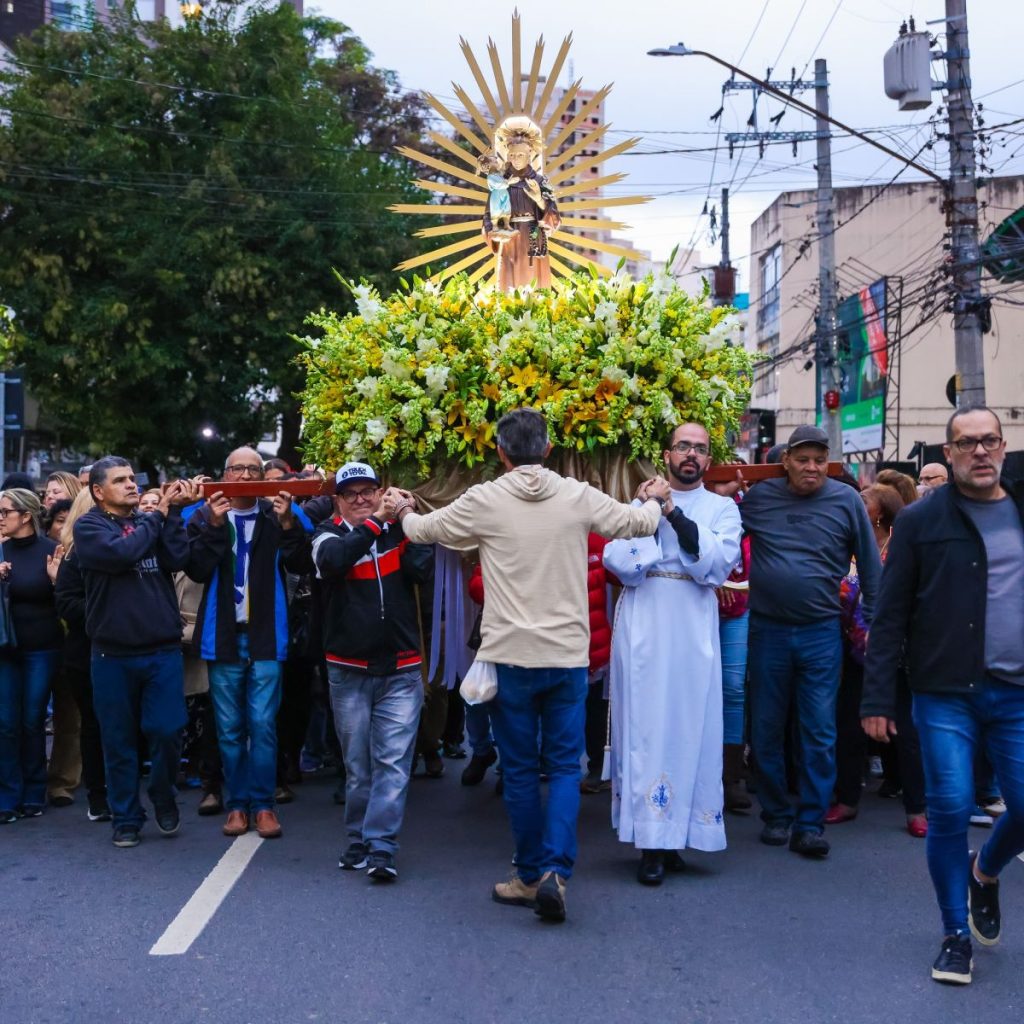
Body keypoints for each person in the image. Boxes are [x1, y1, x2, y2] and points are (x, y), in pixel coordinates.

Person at [395, 408, 667, 922]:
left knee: (520, 772)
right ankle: (556, 875)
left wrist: (403, 509)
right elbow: (637, 523)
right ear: (546, 449)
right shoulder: (575, 494)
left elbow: (424, 531)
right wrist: (652, 498)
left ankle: (526, 873)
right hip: (568, 656)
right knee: (565, 767)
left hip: (510, 658)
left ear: (500, 452)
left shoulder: (484, 499)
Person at [862, 406, 1024, 985]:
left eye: (989, 441)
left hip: (1016, 692)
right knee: (951, 808)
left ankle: (986, 871)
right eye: (966, 443)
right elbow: (890, 613)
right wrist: (878, 697)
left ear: (1002, 447)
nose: (979, 451)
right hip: (944, 690)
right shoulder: (920, 522)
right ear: (947, 455)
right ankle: (955, 936)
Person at [603, 423, 743, 884]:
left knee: (692, 725)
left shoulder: (722, 508)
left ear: (708, 461)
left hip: (693, 627)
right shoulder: (635, 505)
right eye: (683, 446)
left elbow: (717, 564)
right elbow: (618, 561)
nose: (691, 455)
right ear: (666, 454)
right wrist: (651, 516)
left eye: (700, 450)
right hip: (645, 624)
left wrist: (671, 516)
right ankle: (650, 840)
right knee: (646, 726)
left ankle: (680, 832)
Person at [739, 425, 882, 858]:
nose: (812, 467)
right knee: (765, 727)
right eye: (803, 458)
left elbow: (872, 567)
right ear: (786, 461)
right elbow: (720, 532)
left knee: (818, 730)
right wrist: (727, 489)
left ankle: (810, 822)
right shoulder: (759, 499)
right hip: (768, 631)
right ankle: (777, 815)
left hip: (822, 632)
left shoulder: (846, 500)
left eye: (820, 459)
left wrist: (873, 623)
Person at [312, 461, 434, 882]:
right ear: (338, 501)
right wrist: (377, 524)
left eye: (369, 491)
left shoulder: (397, 530)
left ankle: (381, 846)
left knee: (393, 763)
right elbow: (332, 562)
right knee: (359, 766)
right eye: (352, 494)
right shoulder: (326, 535)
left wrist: (409, 523)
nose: (362, 499)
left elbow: (421, 571)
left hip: (401, 668)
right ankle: (356, 838)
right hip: (348, 670)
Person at [73, 457, 199, 848]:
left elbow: (179, 559)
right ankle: (126, 817)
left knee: (166, 730)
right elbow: (123, 553)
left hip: (161, 649)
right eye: (121, 480)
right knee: (118, 740)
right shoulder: (89, 527)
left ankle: (163, 794)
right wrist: (156, 518)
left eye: (133, 479)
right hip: (112, 654)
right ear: (98, 491)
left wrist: (173, 513)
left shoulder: (152, 521)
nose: (132, 485)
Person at [185, 448, 310, 841]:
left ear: (264, 477)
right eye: (236, 468)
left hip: (266, 636)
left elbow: (303, 563)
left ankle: (264, 806)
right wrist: (214, 526)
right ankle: (237, 804)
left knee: (263, 724)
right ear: (224, 473)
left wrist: (289, 523)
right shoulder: (204, 514)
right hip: (222, 636)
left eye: (253, 469)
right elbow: (196, 568)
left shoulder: (278, 513)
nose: (244, 475)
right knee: (229, 728)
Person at [0, 489, 63, 823]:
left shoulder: (50, 551)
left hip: (42, 647)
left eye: (4, 511)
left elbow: (67, 601)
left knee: (32, 720)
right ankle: (8, 794)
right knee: (6, 723)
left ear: (25, 515)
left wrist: (56, 582)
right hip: (5, 649)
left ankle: (34, 791)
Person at [54, 489, 110, 822]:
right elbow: (67, 604)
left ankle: (117, 793)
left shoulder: (125, 552)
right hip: (86, 652)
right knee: (93, 725)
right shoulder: (73, 558)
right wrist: (108, 610)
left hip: (120, 649)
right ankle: (98, 795)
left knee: (119, 726)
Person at [484, 118, 560, 292]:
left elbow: (554, 216)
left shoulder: (540, 182)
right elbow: (488, 214)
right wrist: (493, 234)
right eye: (512, 155)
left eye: (520, 155)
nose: (515, 159)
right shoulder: (500, 183)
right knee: (508, 286)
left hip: (534, 237)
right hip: (509, 235)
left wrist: (539, 199)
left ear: (529, 155)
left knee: (534, 287)